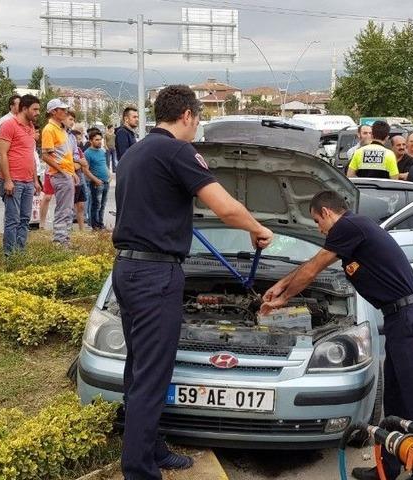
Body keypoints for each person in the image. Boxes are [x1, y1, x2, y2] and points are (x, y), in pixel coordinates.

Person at [112, 85, 274, 480]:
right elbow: (223, 206)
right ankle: (139, 471)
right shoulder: (177, 151)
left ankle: (153, 449)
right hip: (155, 275)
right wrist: (257, 228)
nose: (196, 125)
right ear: (186, 115)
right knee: (152, 377)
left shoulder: (135, 151)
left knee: (139, 370)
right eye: (197, 118)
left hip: (127, 270)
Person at [260, 191, 413, 480]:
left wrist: (283, 298)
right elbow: (311, 263)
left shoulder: (349, 225)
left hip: (411, 319)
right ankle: (388, 468)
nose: (319, 229)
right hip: (399, 320)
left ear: (327, 212)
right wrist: (281, 284)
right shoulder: (352, 234)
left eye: (317, 221)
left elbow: (314, 268)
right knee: (395, 402)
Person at [0, 94, 42, 256]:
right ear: (24, 108)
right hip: (13, 180)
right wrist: (7, 180)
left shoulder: (30, 127)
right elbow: (2, 154)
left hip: (28, 181)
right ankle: (10, 255)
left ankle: (20, 253)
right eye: (35, 109)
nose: (38, 113)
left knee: (24, 220)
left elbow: (31, 155)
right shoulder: (9, 125)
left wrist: (35, 180)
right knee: (12, 220)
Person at [41, 99, 78, 247]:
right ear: (53, 112)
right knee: (63, 209)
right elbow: (45, 155)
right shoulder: (49, 129)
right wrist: (62, 171)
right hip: (60, 175)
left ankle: (65, 240)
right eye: (61, 109)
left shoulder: (60, 129)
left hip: (66, 173)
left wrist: (71, 172)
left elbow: (65, 154)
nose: (65, 112)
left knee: (68, 209)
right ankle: (59, 241)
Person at [84, 131, 109, 230]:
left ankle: (101, 224)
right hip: (96, 183)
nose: (99, 142)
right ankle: (95, 226)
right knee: (96, 205)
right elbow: (85, 170)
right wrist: (95, 180)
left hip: (105, 182)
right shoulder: (87, 153)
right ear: (91, 141)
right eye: (97, 140)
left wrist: (109, 175)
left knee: (102, 205)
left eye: (100, 139)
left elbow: (104, 165)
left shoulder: (102, 151)